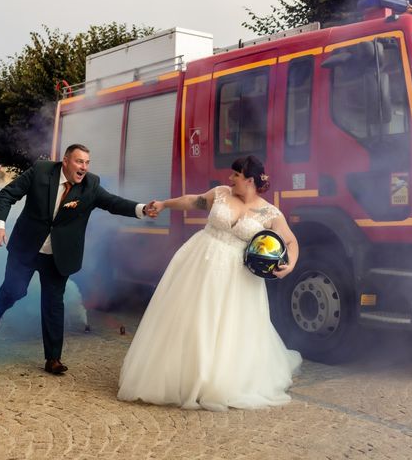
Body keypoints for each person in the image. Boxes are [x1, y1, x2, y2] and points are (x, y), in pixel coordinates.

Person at [118, 155, 302, 410]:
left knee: (227, 325)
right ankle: (184, 376)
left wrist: (289, 265)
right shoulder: (221, 193)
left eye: (235, 176)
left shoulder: (270, 213)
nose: (230, 179)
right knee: (192, 318)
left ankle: (217, 381)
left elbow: (291, 242)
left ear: (249, 180)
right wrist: (164, 204)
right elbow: (193, 200)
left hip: (237, 276)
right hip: (201, 260)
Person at [0, 144, 157, 375]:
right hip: (26, 247)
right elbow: (8, 194)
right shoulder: (40, 171)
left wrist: (142, 209)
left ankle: (53, 358)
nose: (84, 167)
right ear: (66, 161)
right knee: (14, 290)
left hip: (59, 255)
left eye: (87, 162)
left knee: (53, 303)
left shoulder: (91, 185)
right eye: (79, 162)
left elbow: (113, 203)